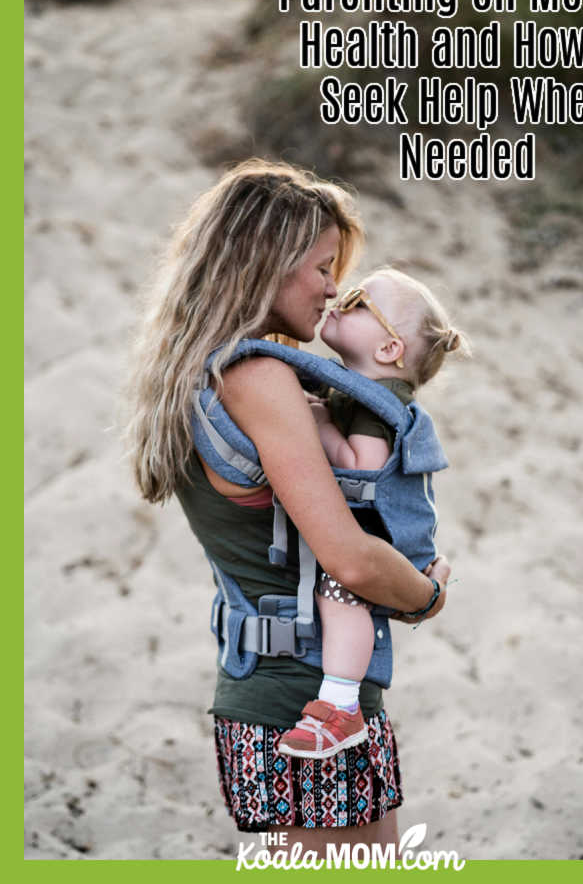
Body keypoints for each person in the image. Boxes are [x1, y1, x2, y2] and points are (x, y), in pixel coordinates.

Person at [126, 160, 451, 854]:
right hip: (307, 701)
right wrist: (426, 596)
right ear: (265, 263)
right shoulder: (261, 377)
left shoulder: (200, 368)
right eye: (324, 267)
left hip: (260, 693)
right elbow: (352, 562)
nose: (335, 288)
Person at [278, 268, 466, 759]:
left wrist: (317, 423)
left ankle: (341, 705)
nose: (341, 297)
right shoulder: (359, 390)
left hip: (384, 535)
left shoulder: (374, 404)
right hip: (384, 528)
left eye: (360, 300)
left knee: (341, 593)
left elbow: (365, 468)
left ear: (387, 351)